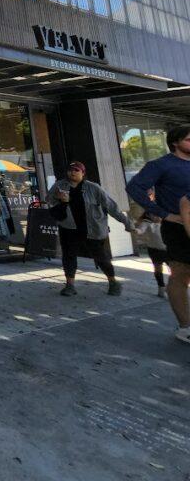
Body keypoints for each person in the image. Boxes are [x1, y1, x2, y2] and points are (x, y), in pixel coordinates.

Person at [127, 125, 190, 344]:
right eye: (189, 140)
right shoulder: (161, 165)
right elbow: (135, 188)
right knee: (181, 273)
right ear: (175, 142)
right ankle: (185, 327)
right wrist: (163, 214)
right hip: (177, 228)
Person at [47, 161, 130, 296]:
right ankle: (70, 285)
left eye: (76, 170)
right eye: (70, 169)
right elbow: (49, 200)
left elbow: (111, 207)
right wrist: (59, 198)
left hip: (91, 228)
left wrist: (127, 223)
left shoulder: (93, 188)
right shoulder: (60, 186)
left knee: (101, 257)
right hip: (68, 227)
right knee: (68, 256)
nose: (72, 172)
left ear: (83, 173)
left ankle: (113, 281)